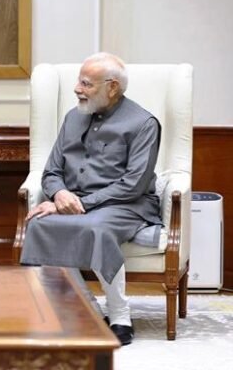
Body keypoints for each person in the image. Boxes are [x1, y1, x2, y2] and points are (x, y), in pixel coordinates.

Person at [20, 52, 162, 346]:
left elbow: (133, 184)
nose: (77, 89)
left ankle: (120, 316)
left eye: (86, 84)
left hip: (126, 204)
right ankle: (87, 310)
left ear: (112, 87)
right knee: (39, 225)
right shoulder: (73, 117)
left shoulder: (144, 123)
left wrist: (78, 204)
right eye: (79, 81)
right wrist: (60, 194)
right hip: (76, 200)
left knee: (95, 228)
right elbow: (52, 171)